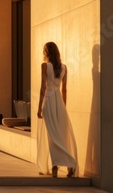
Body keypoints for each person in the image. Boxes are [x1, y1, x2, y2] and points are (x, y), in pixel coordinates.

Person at [36, 42, 78, 178]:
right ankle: (69, 164)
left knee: (52, 136)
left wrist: (39, 107)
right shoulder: (64, 68)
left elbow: (43, 87)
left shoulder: (44, 66)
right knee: (59, 134)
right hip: (59, 102)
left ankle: (57, 166)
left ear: (46, 52)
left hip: (48, 102)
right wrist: (63, 107)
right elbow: (64, 90)